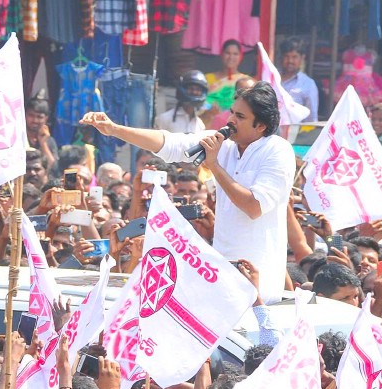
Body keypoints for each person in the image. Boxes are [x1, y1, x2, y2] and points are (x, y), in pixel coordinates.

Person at [81, 82, 295, 303]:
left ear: (260, 126)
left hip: (261, 283)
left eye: (240, 117)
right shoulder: (223, 143)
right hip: (221, 276)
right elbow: (171, 143)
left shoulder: (278, 151)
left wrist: (214, 166)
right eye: (232, 112)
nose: (231, 121)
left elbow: (254, 207)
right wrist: (114, 129)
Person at [203, 39, 251, 127]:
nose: (231, 57)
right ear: (221, 54)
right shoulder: (207, 79)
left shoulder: (246, 82)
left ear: (241, 56)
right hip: (207, 124)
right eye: (227, 53)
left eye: (235, 54)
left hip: (235, 126)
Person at [279, 38, 319, 122]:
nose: (290, 61)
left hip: (295, 133)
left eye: (294, 57)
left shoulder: (308, 84)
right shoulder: (272, 78)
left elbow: (311, 119)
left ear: (302, 58)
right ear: (282, 57)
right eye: (287, 56)